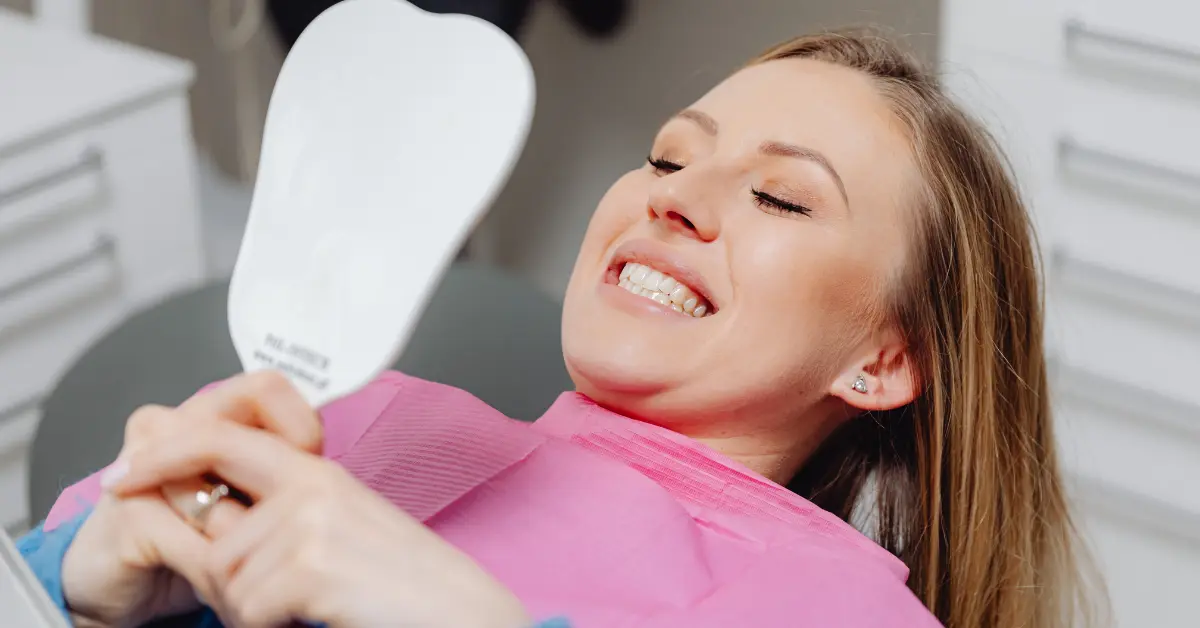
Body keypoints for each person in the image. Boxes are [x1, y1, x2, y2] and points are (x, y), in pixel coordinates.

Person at [18, 29, 1097, 628]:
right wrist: (74, 578)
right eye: (670, 156)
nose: (670, 196)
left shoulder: (835, 606)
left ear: (884, 358)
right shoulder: (362, 418)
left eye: (780, 198)